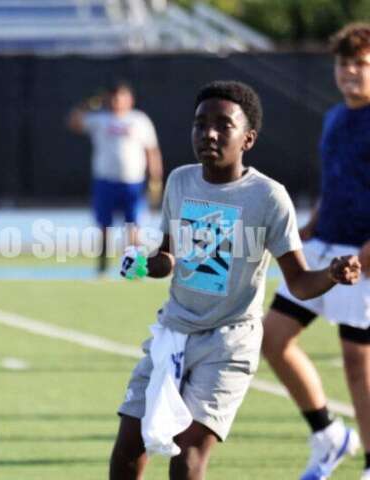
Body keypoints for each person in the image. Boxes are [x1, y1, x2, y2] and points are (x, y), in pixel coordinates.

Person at [112, 80, 361, 480]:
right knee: (128, 449)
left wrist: (331, 275)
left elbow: (298, 283)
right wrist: (141, 263)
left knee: (187, 456)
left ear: (248, 138)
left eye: (223, 125)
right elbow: (171, 258)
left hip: (229, 344)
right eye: (199, 124)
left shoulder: (268, 197)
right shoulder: (180, 181)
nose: (208, 133)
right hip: (174, 333)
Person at [260, 22, 370, 480]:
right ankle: (328, 434)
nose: (350, 72)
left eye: (361, 64)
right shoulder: (334, 117)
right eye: (344, 64)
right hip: (325, 247)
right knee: (272, 338)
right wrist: (307, 229)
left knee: (358, 362)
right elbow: (337, 184)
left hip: (362, 254)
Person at [67, 81, 163, 273]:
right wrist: (88, 104)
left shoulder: (139, 120)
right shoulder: (100, 119)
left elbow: (152, 150)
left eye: (122, 96)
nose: (117, 100)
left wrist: (156, 179)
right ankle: (102, 267)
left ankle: (134, 269)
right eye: (114, 96)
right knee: (104, 227)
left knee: (134, 227)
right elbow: (73, 122)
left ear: (130, 99)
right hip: (105, 182)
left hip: (132, 183)